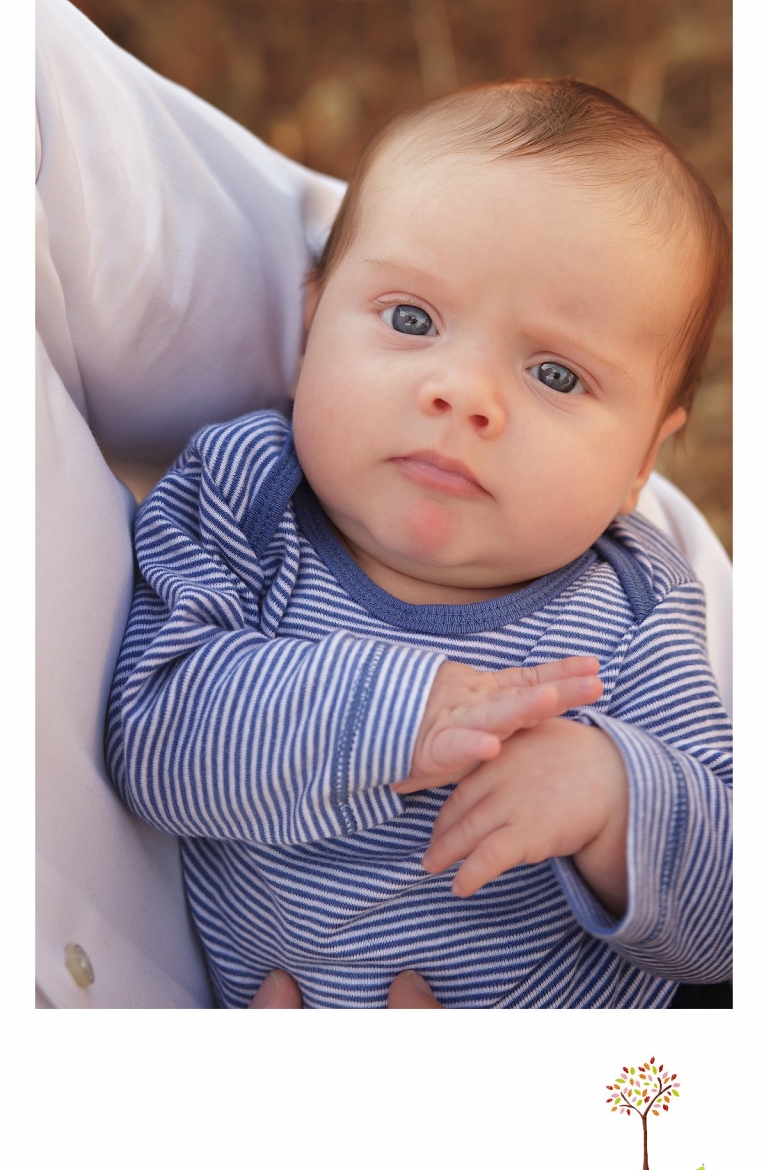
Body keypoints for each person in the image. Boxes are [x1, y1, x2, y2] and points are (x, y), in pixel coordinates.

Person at [105, 78, 732, 1009]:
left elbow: (728, 930)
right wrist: (401, 715)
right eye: (411, 320)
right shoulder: (246, 497)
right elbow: (152, 739)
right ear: (313, 323)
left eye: (556, 373)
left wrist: (615, 799)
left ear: (643, 460)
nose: (464, 393)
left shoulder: (634, 610)